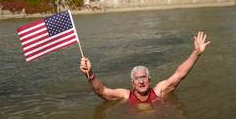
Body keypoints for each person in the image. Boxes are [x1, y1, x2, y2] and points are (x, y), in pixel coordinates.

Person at [80, 31, 210, 104]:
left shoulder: (159, 91)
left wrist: (196, 53)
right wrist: (90, 74)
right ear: (132, 83)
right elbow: (102, 91)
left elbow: (179, 74)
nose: (141, 81)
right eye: (137, 79)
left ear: (150, 80)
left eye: (143, 77)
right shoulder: (125, 95)